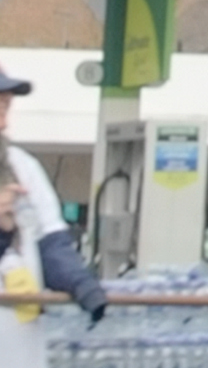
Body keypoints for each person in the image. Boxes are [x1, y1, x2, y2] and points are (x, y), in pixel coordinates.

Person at [0, 65, 104, 368]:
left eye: (5, 106)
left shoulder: (23, 166)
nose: (3, 120)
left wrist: (80, 282)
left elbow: (51, 242)